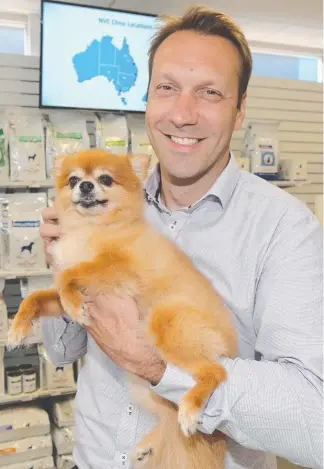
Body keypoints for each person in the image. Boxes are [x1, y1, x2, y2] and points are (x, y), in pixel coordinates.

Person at [40, 6, 323, 469]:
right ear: (147, 98)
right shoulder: (107, 201)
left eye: (209, 92)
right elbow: (61, 349)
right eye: (167, 88)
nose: (183, 114)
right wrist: (62, 264)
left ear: (239, 110)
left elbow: (315, 420)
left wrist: (159, 365)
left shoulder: (284, 231)